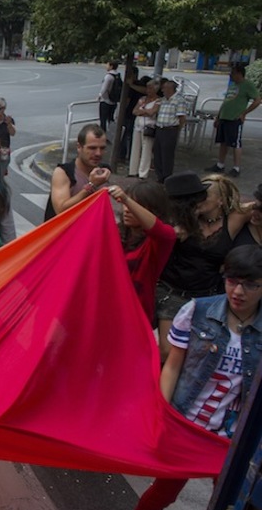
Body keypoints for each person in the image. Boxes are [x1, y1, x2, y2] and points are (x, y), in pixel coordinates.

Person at [121, 245, 262, 510]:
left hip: (230, 436)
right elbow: (172, 365)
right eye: (232, 281)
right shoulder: (197, 311)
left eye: (250, 284)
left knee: (230, 501)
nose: (238, 291)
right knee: (165, 492)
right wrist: (163, 412)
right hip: (187, 424)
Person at [156, 172, 251, 364]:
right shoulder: (185, 216)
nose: (199, 199)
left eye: (205, 195)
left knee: (195, 352)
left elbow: (255, 206)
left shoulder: (233, 220)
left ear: (221, 201)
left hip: (206, 296)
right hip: (173, 292)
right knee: (166, 351)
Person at [107, 180, 176, 320]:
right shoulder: (115, 232)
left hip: (135, 315)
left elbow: (159, 230)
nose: (126, 209)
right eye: (124, 204)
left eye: (135, 205)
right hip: (107, 307)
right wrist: (90, 187)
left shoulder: (161, 240)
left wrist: (126, 199)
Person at [44, 123, 111, 220]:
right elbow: (61, 211)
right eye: (92, 148)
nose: (98, 153)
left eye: (102, 148)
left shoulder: (104, 172)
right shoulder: (64, 173)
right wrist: (91, 186)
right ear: (79, 147)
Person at [206, 62, 261, 178]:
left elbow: (257, 100)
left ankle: (236, 167)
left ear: (239, 73)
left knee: (236, 143)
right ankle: (220, 164)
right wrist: (219, 116)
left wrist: (244, 113)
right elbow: (226, 101)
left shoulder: (247, 85)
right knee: (223, 142)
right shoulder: (232, 85)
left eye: (233, 73)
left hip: (235, 118)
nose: (231, 75)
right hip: (224, 117)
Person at [152, 79, 188, 184]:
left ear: (171, 89)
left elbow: (182, 117)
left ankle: (166, 177)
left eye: (165, 88)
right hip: (160, 128)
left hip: (170, 129)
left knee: (167, 155)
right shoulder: (162, 100)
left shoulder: (178, 100)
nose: (163, 90)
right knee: (157, 152)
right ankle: (159, 176)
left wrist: (176, 130)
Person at [128, 79, 161, 180]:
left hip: (148, 126)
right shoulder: (142, 99)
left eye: (150, 88)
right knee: (135, 147)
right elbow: (134, 111)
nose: (148, 90)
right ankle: (133, 170)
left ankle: (143, 173)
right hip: (138, 125)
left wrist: (142, 111)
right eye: (147, 87)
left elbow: (152, 112)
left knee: (146, 149)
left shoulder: (158, 100)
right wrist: (145, 111)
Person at [98, 60, 120, 132]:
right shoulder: (117, 76)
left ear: (111, 66)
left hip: (105, 101)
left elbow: (104, 89)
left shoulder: (108, 76)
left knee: (103, 120)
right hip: (114, 101)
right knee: (111, 119)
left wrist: (100, 96)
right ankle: (112, 135)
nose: (106, 66)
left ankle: (103, 134)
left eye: (107, 64)